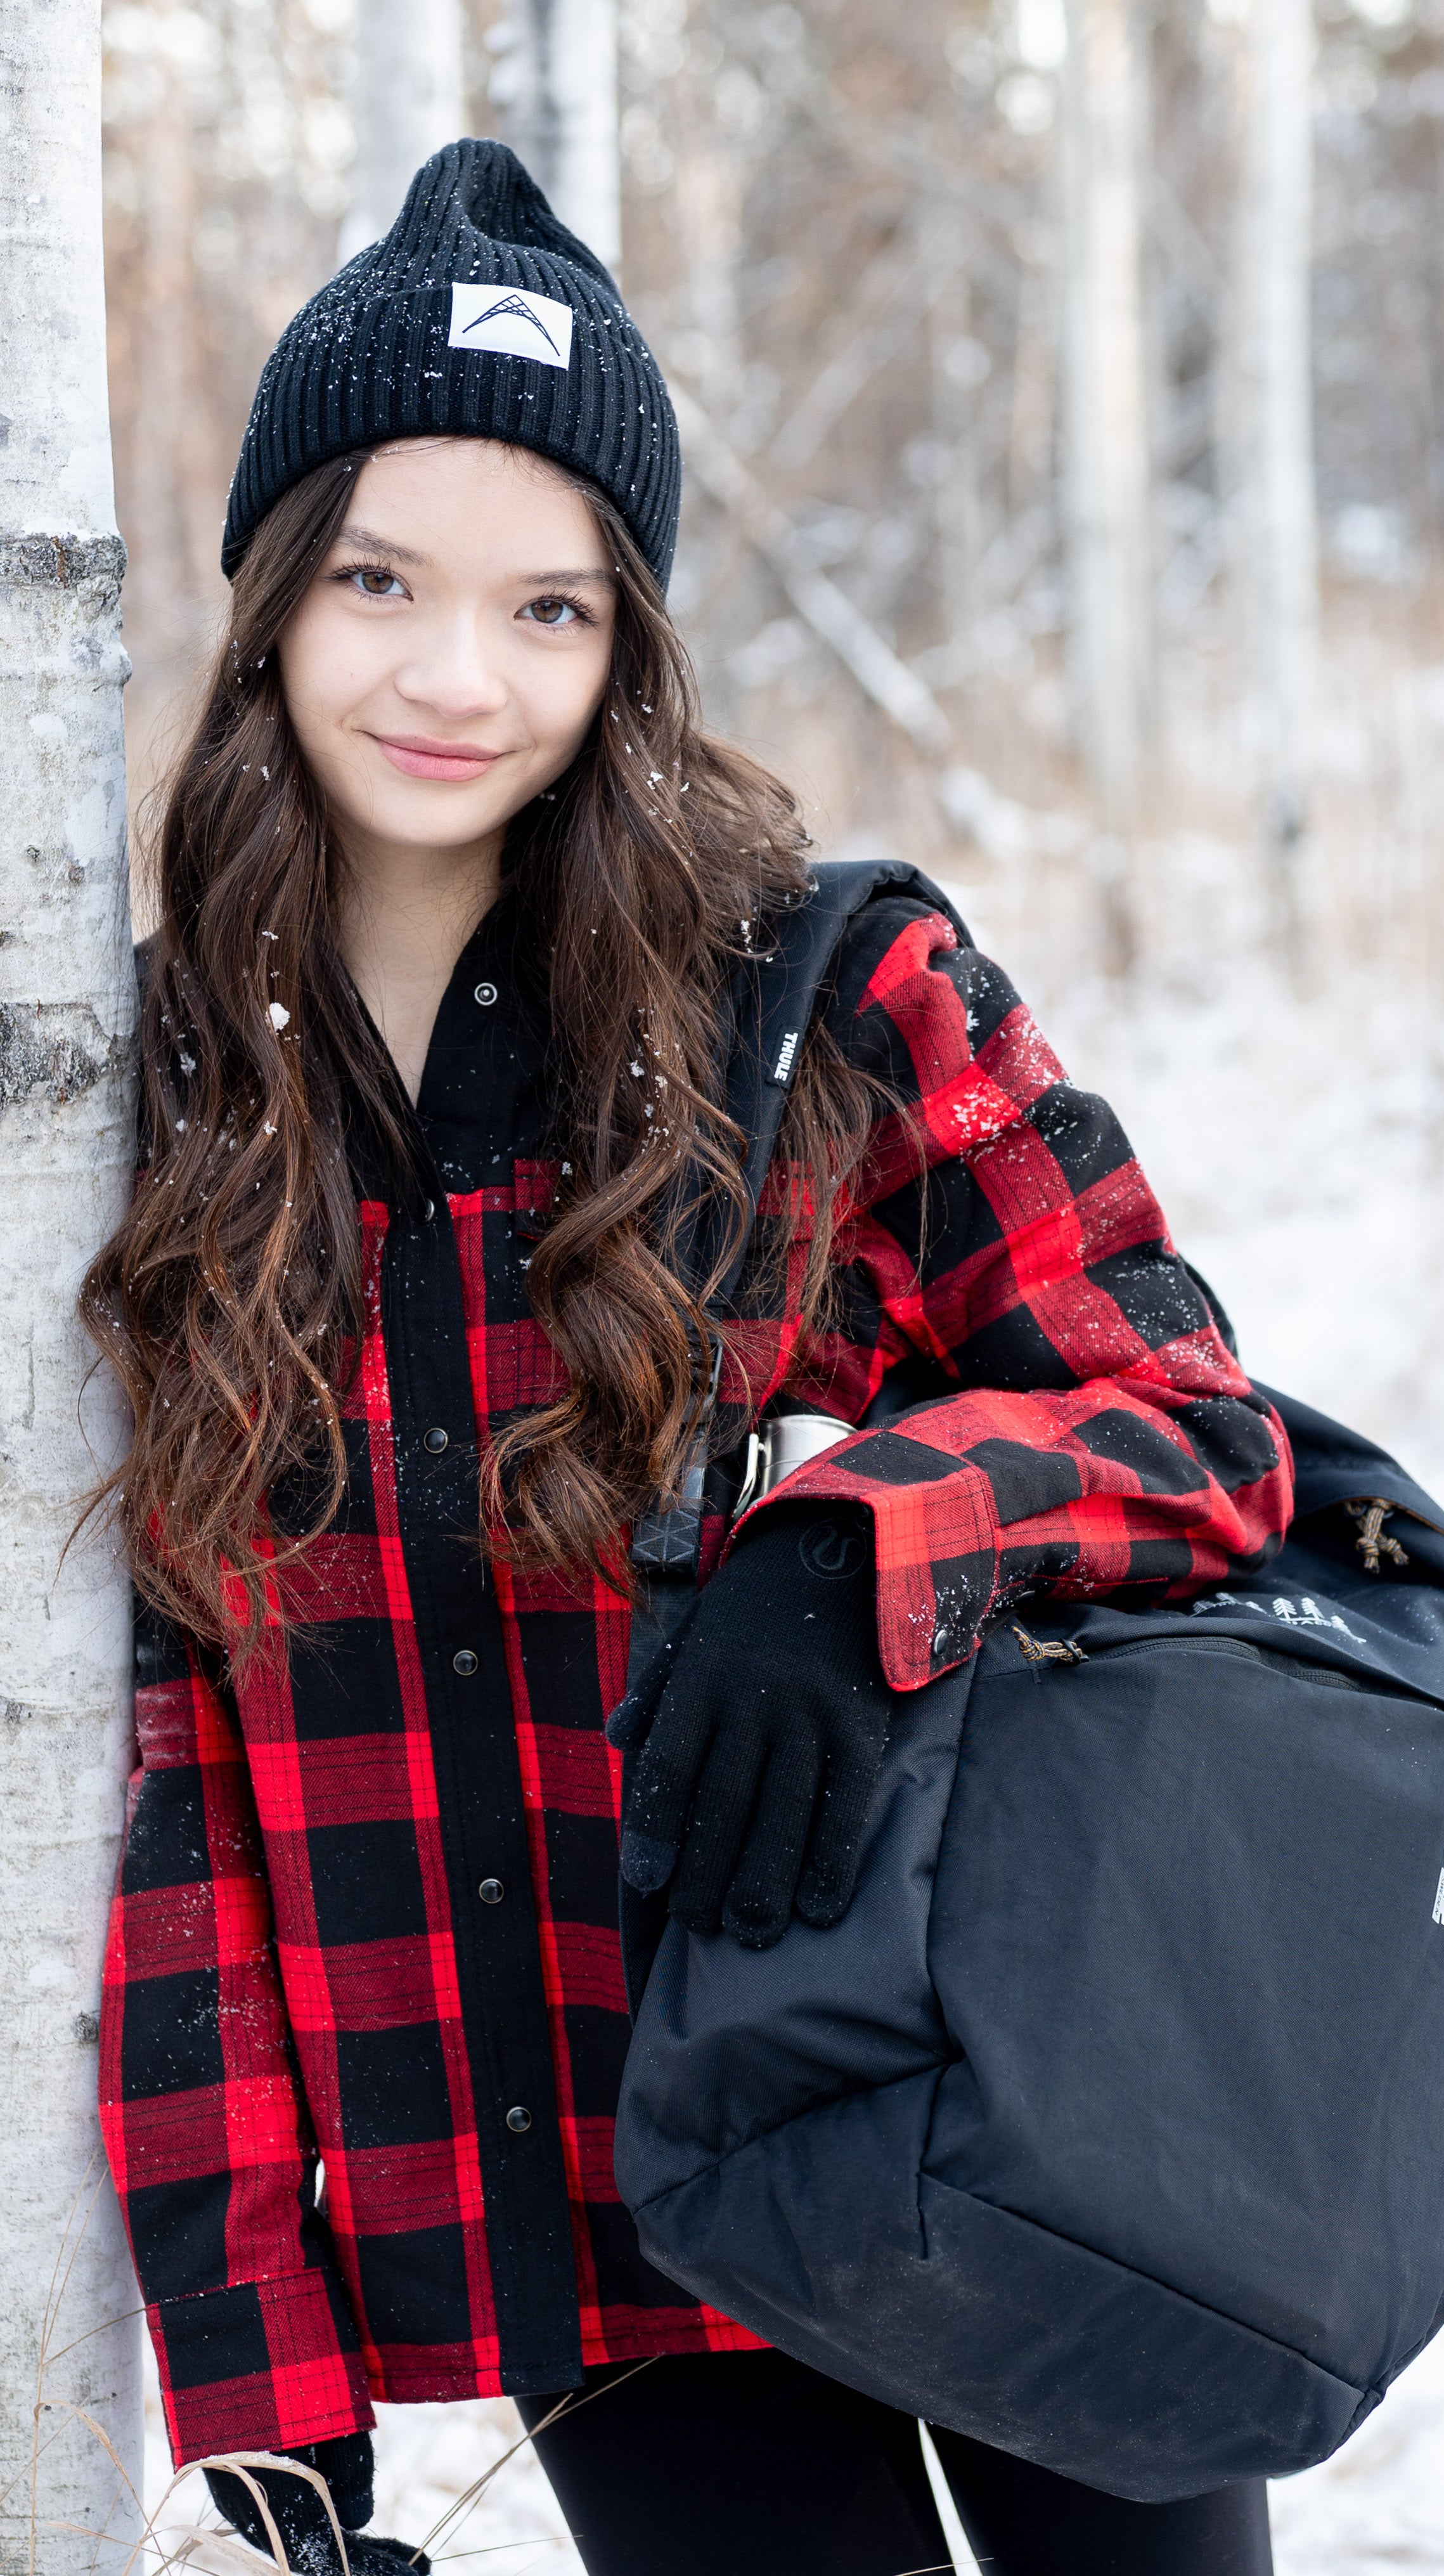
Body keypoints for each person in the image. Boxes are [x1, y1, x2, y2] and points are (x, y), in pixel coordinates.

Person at [87, 141, 1291, 2576]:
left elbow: (1191, 1420)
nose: (457, 676)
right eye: (379, 584)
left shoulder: (833, 993)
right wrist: (258, 2360)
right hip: (586, 2199)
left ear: (625, 637)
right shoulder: (161, 1101)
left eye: (546, 607)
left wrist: (853, 1548)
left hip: (998, 2107)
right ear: (269, 595)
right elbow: (165, 1764)